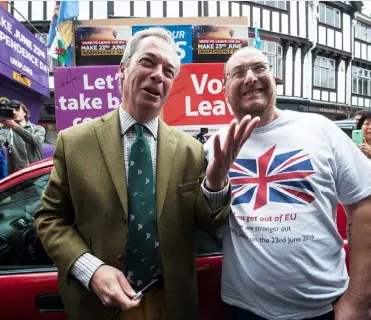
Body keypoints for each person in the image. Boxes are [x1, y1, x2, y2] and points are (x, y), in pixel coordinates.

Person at [34, 27, 259, 320]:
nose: (158, 75)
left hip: (171, 304)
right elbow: (49, 218)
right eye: (148, 62)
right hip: (100, 306)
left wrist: (216, 182)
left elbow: (207, 222)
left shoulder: (190, 150)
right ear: (122, 70)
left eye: (168, 71)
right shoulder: (75, 142)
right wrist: (90, 269)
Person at [204, 47, 371, 320]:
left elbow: (364, 203)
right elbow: (208, 219)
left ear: (273, 78)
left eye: (260, 68)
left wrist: (359, 299)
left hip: (322, 308)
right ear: (224, 91)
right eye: (238, 73)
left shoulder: (320, 128)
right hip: (244, 309)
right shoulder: (216, 146)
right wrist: (215, 180)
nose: (250, 78)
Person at [0, 100, 45, 174]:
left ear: (25, 112)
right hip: (18, 178)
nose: (14, 112)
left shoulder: (38, 128)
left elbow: (36, 142)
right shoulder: (6, 132)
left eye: (17, 110)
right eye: (11, 111)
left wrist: (15, 126)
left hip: (37, 175)